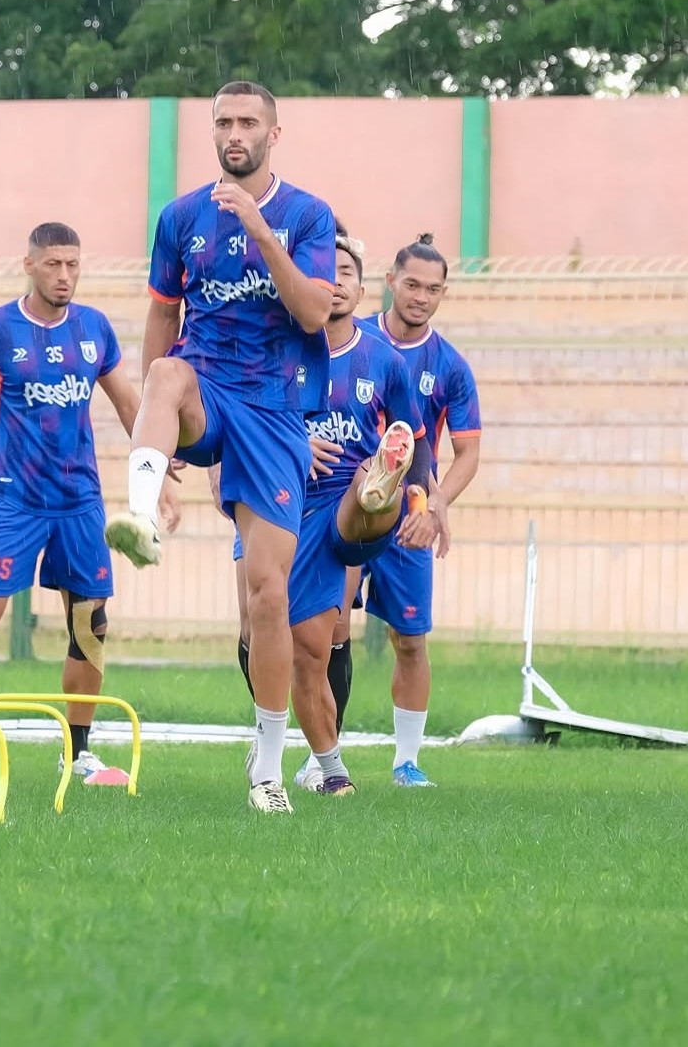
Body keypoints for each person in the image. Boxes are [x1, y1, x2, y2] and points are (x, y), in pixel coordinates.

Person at [104, 81, 336, 814]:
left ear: (275, 132)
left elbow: (312, 312)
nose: (234, 133)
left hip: (272, 410)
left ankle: (268, 765)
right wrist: (157, 420)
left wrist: (261, 232)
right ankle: (140, 515)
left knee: (269, 597)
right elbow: (161, 313)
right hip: (204, 389)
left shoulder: (306, 215)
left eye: (248, 122)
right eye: (223, 122)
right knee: (167, 369)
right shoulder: (180, 218)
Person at [0, 222, 178, 777]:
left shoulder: (94, 328)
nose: (65, 275)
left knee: (90, 626)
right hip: (12, 501)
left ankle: (78, 752)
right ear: (29, 264)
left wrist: (162, 476)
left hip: (80, 504)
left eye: (73, 264)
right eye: (54, 264)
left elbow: (130, 405)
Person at [232, 230, 445, 795]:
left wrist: (419, 496)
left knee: (317, 640)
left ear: (359, 285)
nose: (336, 281)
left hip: (334, 509)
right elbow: (237, 423)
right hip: (274, 499)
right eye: (327, 272)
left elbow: (419, 439)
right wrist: (295, 445)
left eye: (346, 272)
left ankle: (380, 491)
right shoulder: (272, 352)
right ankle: (298, 750)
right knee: (271, 637)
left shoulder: (384, 363)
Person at [327, 233, 480, 790]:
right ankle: (326, 755)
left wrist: (436, 504)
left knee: (410, 640)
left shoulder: (451, 367)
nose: (420, 296)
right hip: (342, 507)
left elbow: (467, 453)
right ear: (389, 282)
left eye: (433, 289)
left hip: (409, 514)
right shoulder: (349, 337)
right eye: (412, 284)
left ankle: (406, 762)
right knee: (331, 627)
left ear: (443, 294)